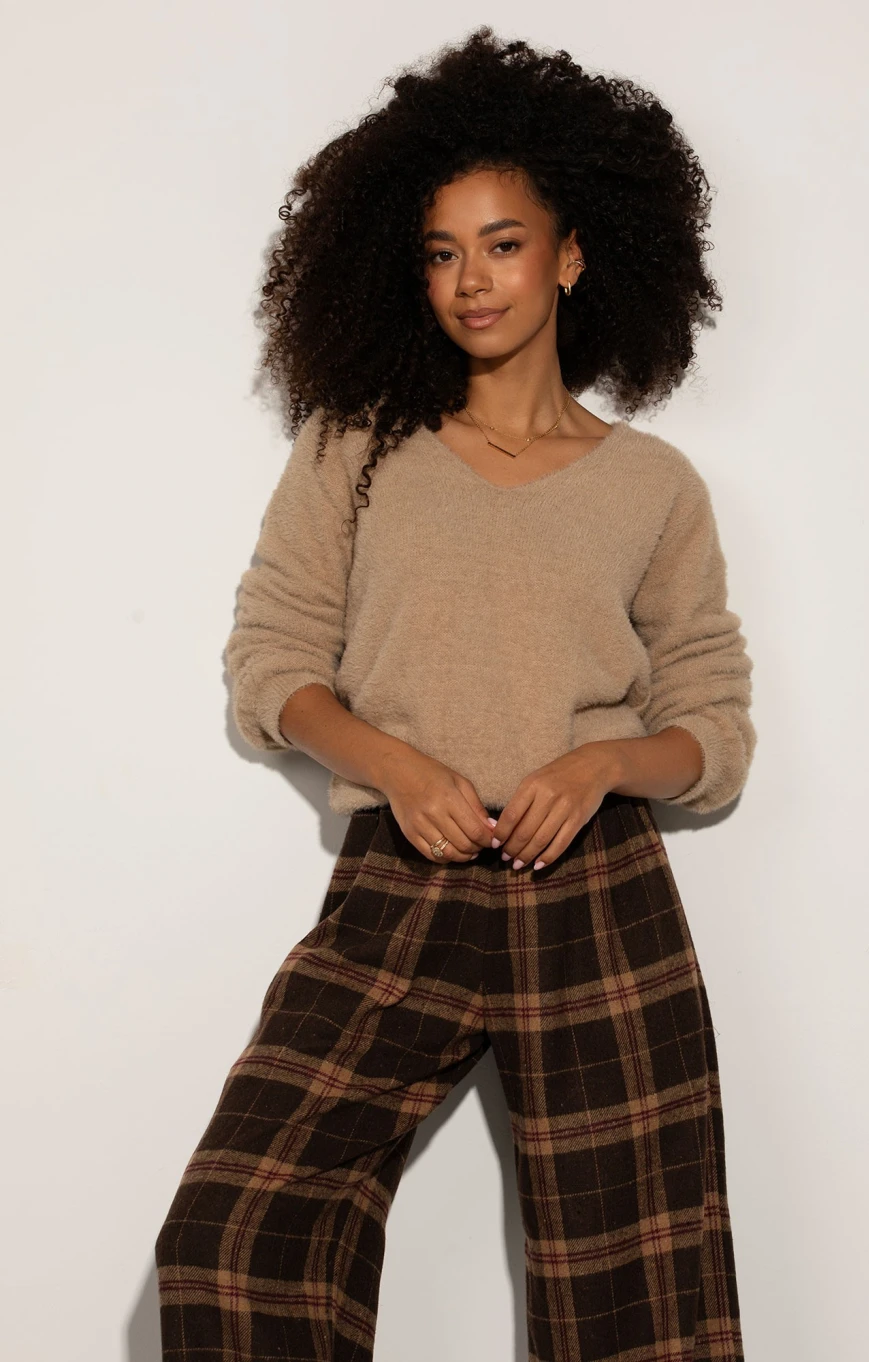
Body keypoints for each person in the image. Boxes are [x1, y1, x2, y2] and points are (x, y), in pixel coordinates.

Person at [155, 26, 756, 1362]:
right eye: (441, 252)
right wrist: (394, 763)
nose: (471, 280)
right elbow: (273, 659)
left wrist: (603, 765)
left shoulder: (654, 487)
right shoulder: (358, 449)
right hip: (399, 878)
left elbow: (713, 722)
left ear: (572, 255)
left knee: (641, 1305)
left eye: (502, 243)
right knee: (233, 1238)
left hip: (597, 890)